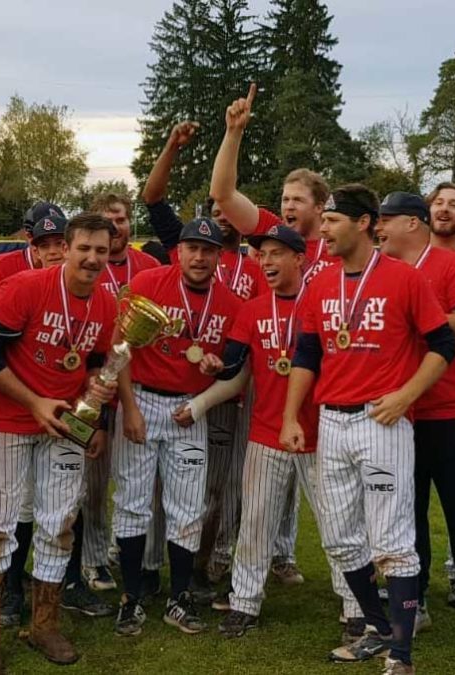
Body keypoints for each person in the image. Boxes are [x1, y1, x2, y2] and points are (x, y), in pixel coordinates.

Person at [281, 184, 455, 675]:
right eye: (324, 221)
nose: (324, 230)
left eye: (332, 220)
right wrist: (292, 416)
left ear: (363, 223)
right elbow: (307, 355)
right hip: (332, 422)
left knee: (392, 541)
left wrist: (406, 396)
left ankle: (402, 656)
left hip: (381, 421)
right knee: (339, 539)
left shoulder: (403, 278)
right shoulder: (321, 282)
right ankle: (379, 629)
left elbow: (443, 344)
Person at [172, 224, 365, 641]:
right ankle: (244, 602)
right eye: (262, 254)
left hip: (320, 435)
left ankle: (356, 605)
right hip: (265, 433)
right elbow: (233, 368)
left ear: (299, 259)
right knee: (256, 522)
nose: (266, 262)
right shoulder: (253, 309)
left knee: (338, 523)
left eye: (277, 253)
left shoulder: (324, 302)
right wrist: (210, 376)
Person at [0, 213, 118, 672]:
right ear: (66, 249)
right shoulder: (25, 288)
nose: (92, 258)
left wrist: (96, 409)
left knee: (60, 522)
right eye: (84, 248)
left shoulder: (106, 303)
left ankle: (44, 625)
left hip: (65, 425)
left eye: (101, 250)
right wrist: (34, 402)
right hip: (8, 421)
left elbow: (93, 362)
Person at [142, 126, 280, 596]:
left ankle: (210, 562)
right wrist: (171, 147)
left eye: (230, 206)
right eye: (216, 205)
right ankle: (152, 566)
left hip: (230, 386)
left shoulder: (259, 264)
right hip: (178, 384)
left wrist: (230, 371)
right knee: (164, 485)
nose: (223, 212)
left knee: (221, 483)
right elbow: (153, 198)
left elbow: (259, 325)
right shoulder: (188, 249)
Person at [375, 192, 455, 658]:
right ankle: (415, 604)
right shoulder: (382, 271)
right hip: (400, 415)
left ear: (413, 223)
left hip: (454, 413)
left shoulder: (454, 266)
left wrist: (418, 316)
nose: (379, 228)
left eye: (386, 220)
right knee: (404, 518)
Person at [109, 217, 241, 637]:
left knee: (187, 507)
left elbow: (232, 366)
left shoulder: (230, 303)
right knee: (132, 502)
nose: (199, 257)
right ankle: (130, 598)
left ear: (219, 256)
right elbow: (119, 347)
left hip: (188, 409)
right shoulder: (149, 283)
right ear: (179, 251)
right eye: (192, 248)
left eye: (208, 250)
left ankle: (179, 598)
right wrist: (129, 406)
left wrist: (215, 367)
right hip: (142, 399)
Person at [0, 201, 65, 626]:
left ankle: (17, 584)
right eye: (46, 241)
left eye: (60, 240)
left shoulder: (71, 278)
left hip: (46, 406)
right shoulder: (2, 269)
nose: (54, 249)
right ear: (30, 241)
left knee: (34, 502)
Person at [81, 192, 161, 595]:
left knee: (143, 485)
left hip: (136, 388)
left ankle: (136, 554)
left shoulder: (148, 268)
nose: (116, 227)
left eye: (122, 219)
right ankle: (93, 559)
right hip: (93, 384)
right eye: (108, 220)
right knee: (93, 485)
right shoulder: (87, 268)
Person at [210, 84, 338, 281]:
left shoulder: (338, 247)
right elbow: (222, 194)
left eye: (298, 200)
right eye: (285, 199)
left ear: (319, 207)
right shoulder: (273, 231)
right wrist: (234, 132)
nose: (289, 206)